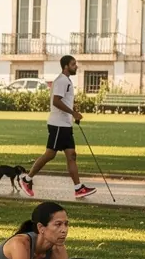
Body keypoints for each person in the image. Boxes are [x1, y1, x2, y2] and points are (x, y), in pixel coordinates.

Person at [20, 56, 96, 200]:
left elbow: (64, 100)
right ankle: (27, 179)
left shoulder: (66, 81)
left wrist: (73, 113)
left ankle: (78, 188)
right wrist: (73, 113)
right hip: (58, 125)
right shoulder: (62, 80)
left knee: (72, 155)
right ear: (66, 66)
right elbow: (56, 101)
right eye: (73, 64)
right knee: (50, 154)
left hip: (65, 125)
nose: (76, 67)